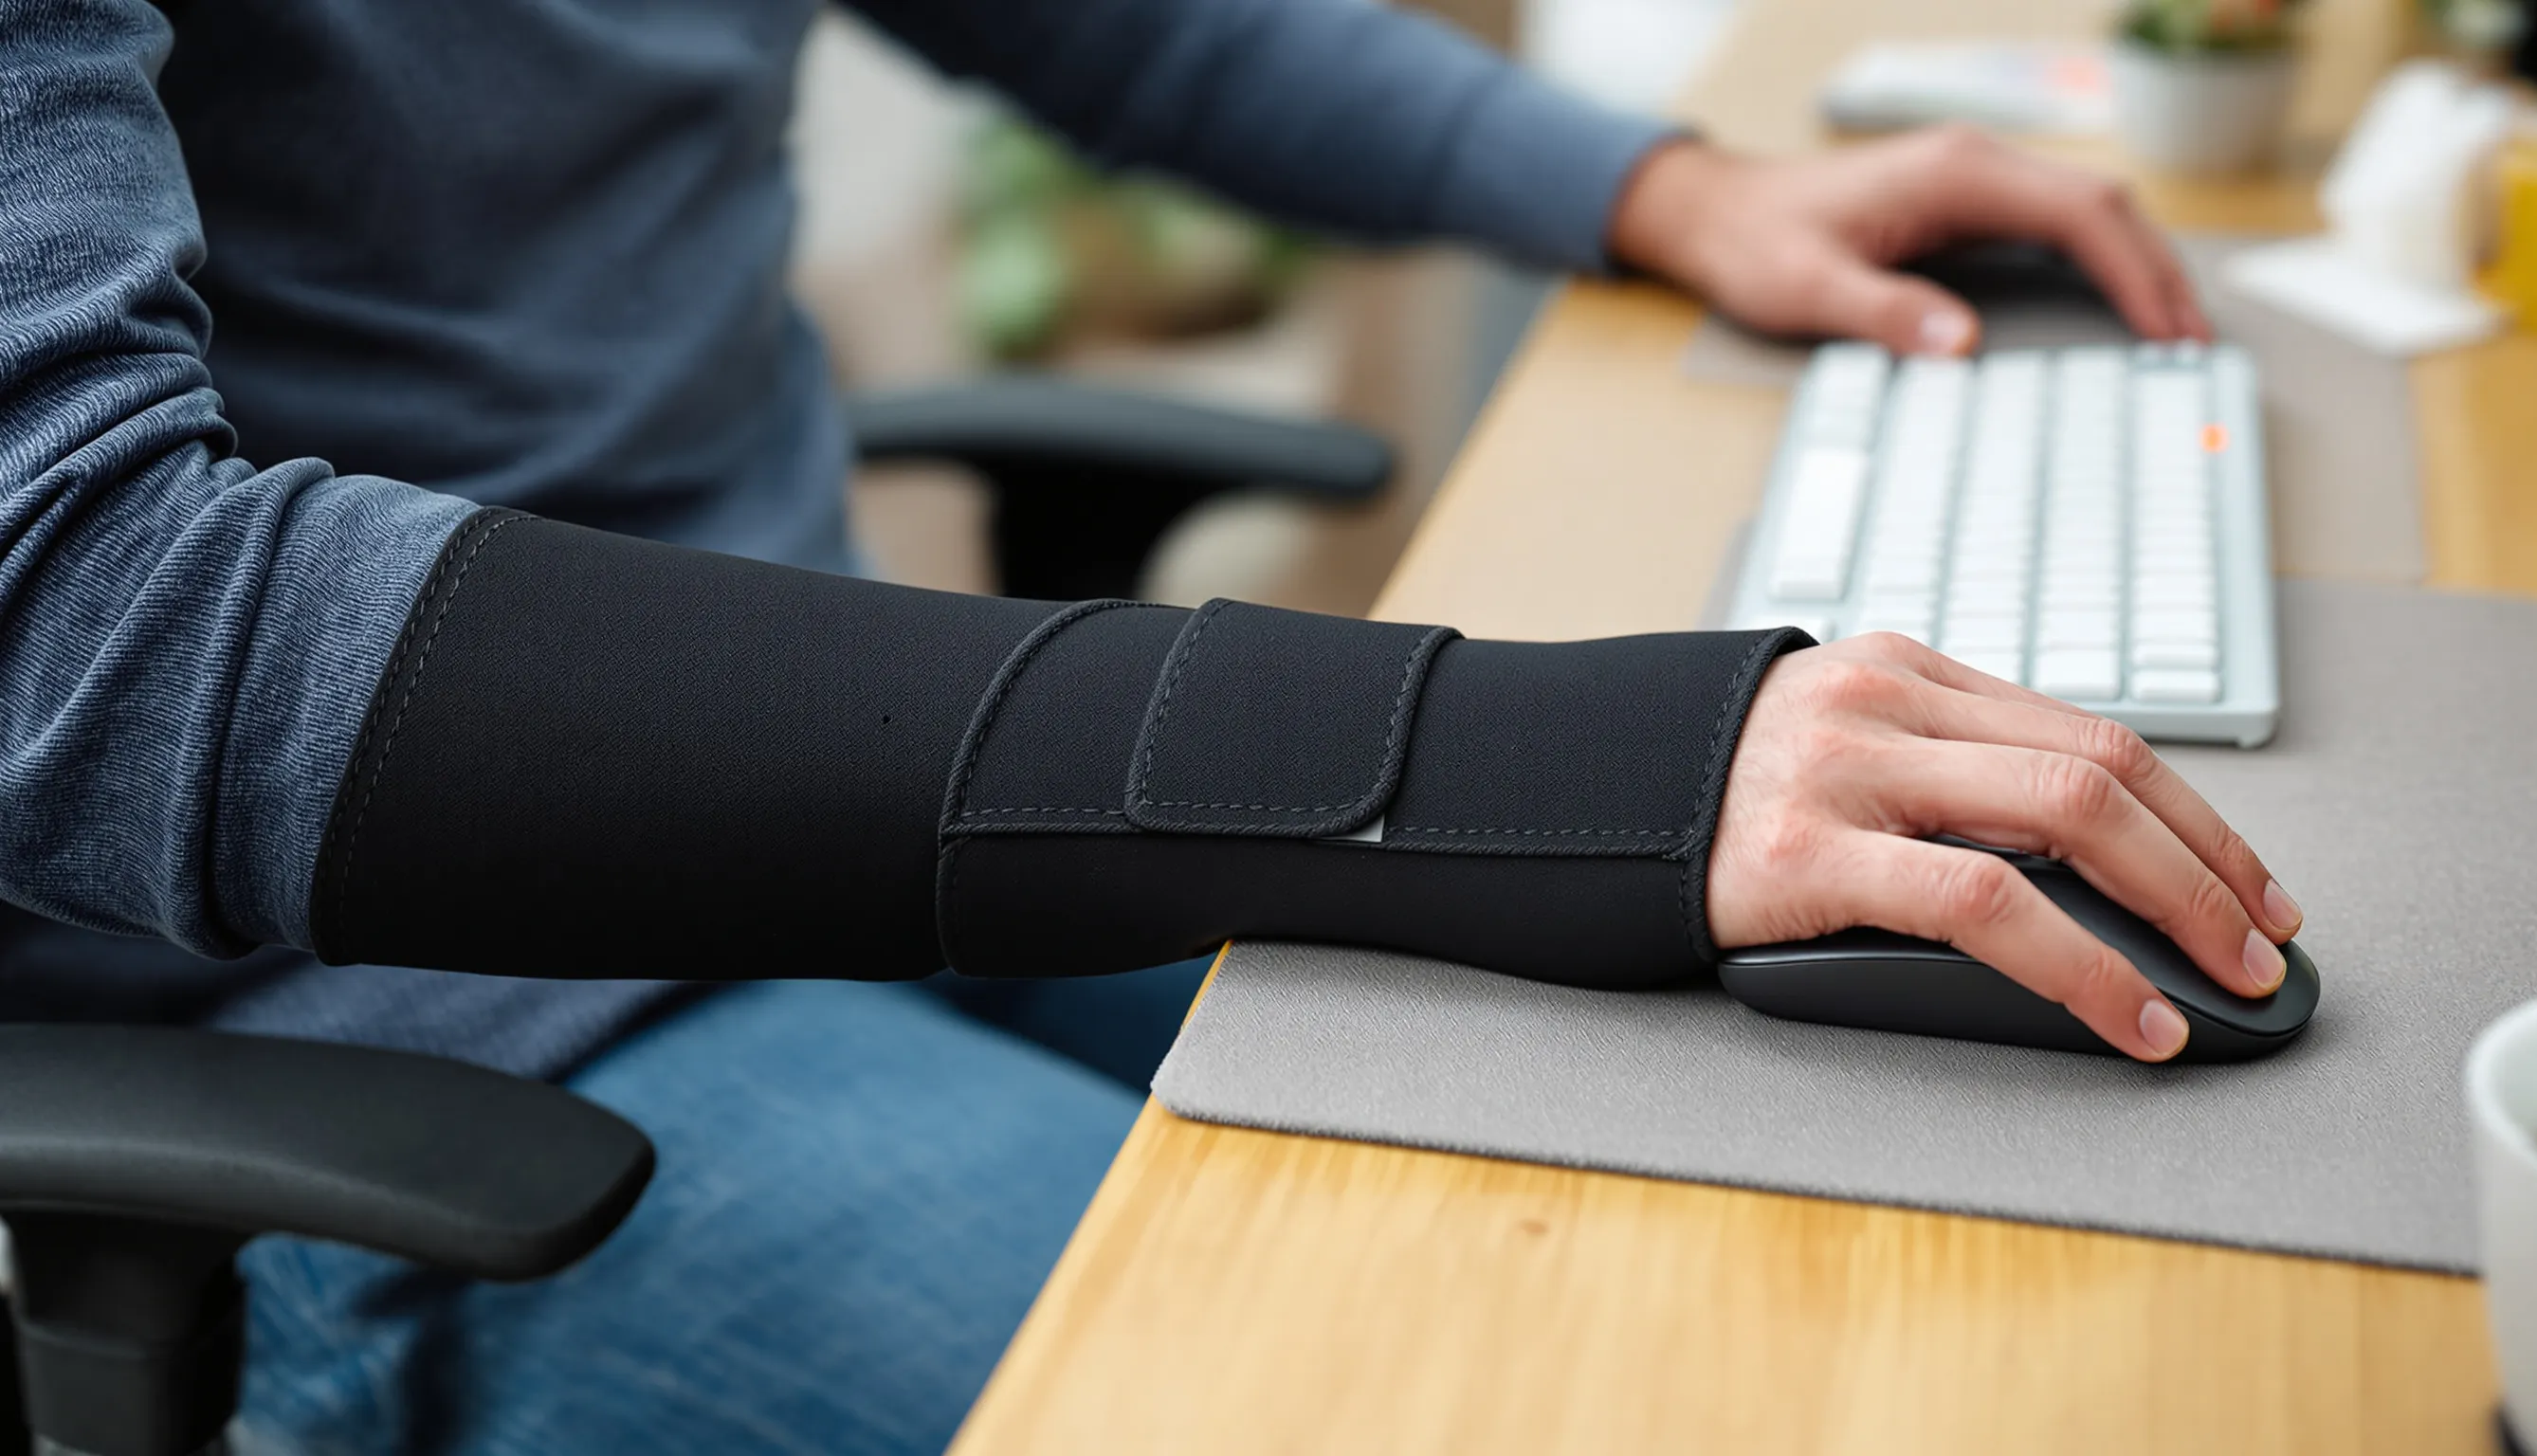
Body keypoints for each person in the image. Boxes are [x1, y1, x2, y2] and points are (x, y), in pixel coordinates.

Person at [0, 1, 2295, 1450]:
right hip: (402, 1031)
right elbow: (91, 622)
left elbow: (1125, 29)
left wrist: (1666, 187)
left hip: (830, 799)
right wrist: (1535, 767)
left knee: (1820, 1266)